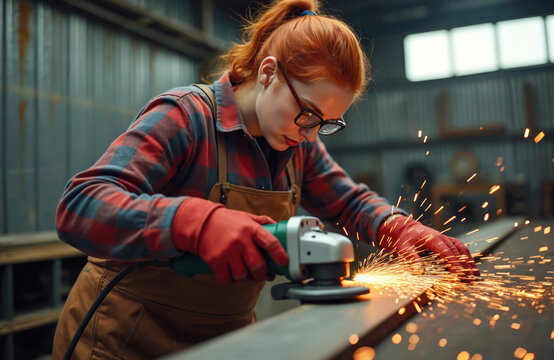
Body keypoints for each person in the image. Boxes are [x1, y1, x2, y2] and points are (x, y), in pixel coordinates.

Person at [52, 0, 480, 358]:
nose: (310, 133)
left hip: (227, 341)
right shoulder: (184, 117)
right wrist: (191, 221)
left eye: (327, 123)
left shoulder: (298, 142)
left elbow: (347, 202)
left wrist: (394, 225)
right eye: (308, 113)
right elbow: (81, 204)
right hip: (121, 337)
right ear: (269, 72)